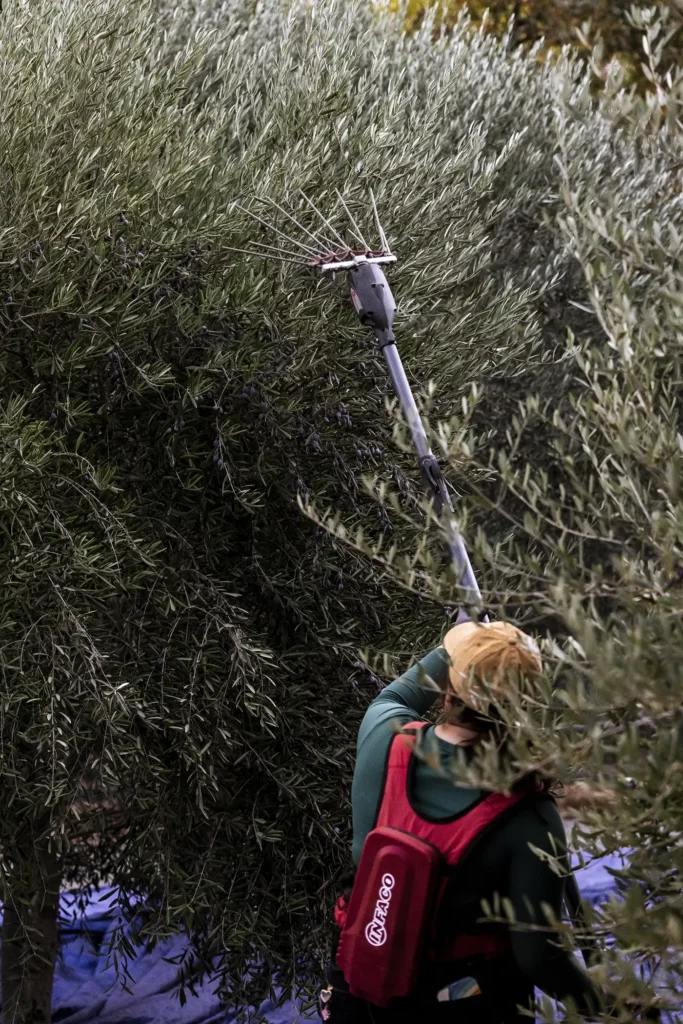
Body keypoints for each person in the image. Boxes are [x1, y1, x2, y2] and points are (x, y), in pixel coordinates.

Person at [320, 619, 604, 1023]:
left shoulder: (384, 734)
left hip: (361, 987)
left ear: (449, 690)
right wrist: (611, 1007)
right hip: (462, 1004)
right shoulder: (529, 814)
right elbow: (540, 958)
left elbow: (399, 691)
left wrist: (461, 641)